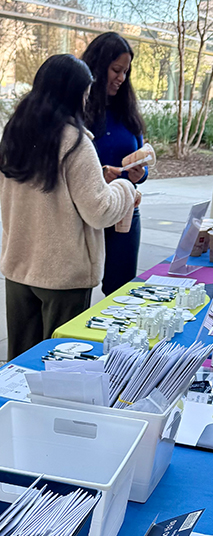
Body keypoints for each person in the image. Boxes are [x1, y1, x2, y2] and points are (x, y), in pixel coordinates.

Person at [0, 54, 139, 360]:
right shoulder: (74, 140)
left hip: (19, 268)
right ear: (74, 94)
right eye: (86, 93)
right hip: (63, 275)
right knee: (59, 367)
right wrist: (124, 188)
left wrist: (97, 181)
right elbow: (100, 210)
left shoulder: (15, 133)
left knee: (19, 364)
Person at [82, 32, 148, 297]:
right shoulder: (78, 109)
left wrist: (139, 173)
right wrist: (99, 174)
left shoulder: (126, 110)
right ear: (98, 67)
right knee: (77, 293)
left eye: (126, 72)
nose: (121, 78)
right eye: (116, 70)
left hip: (124, 213)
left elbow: (140, 163)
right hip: (86, 215)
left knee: (121, 293)